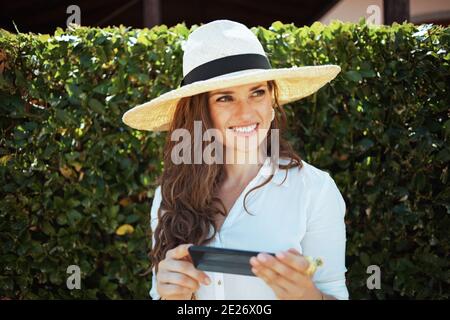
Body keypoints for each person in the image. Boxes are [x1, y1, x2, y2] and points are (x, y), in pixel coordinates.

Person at [122, 19, 348, 300]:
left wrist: (308, 296)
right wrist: (170, 297)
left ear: (272, 101)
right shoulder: (170, 194)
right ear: (200, 113)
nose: (246, 113)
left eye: (257, 92)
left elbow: (334, 291)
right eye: (225, 98)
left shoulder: (314, 190)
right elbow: (161, 294)